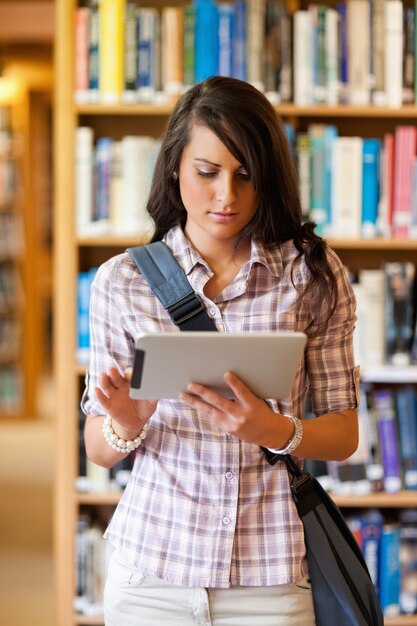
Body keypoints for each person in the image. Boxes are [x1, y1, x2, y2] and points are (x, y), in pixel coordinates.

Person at [81, 75, 360, 626]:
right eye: (207, 173)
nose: (226, 196)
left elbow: (345, 434)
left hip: (271, 579)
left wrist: (276, 431)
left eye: (245, 175)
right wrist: (125, 421)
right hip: (150, 575)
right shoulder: (122, 282)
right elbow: (98, 449)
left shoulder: (313, 276)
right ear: (175, 170)